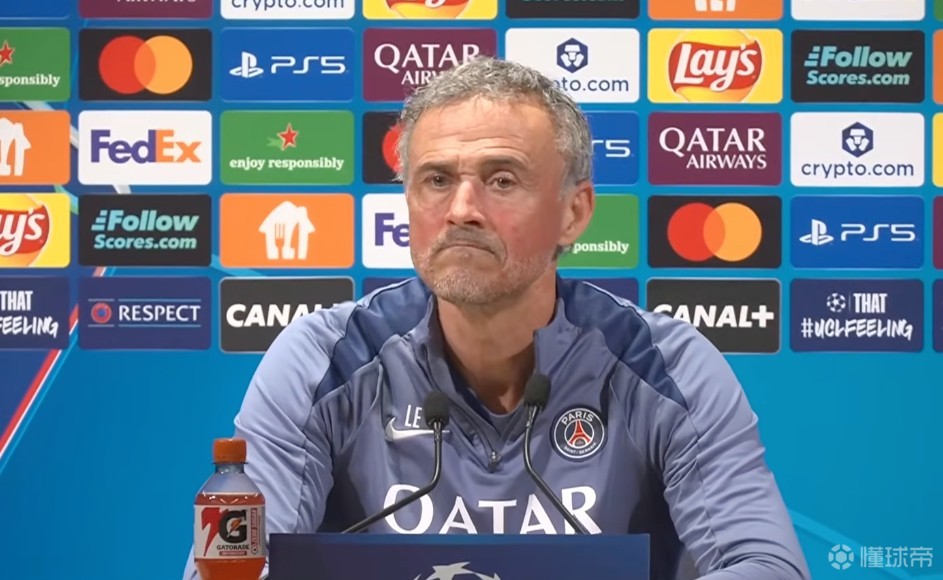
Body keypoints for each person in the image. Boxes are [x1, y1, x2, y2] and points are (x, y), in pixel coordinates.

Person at [182, 56, 811, 580]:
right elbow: (229, 568)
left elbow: (766, 566)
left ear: (574, 213)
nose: (462, 209)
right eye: (436, 180)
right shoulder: (325, 360)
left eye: (502, 180)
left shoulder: (663, 364)